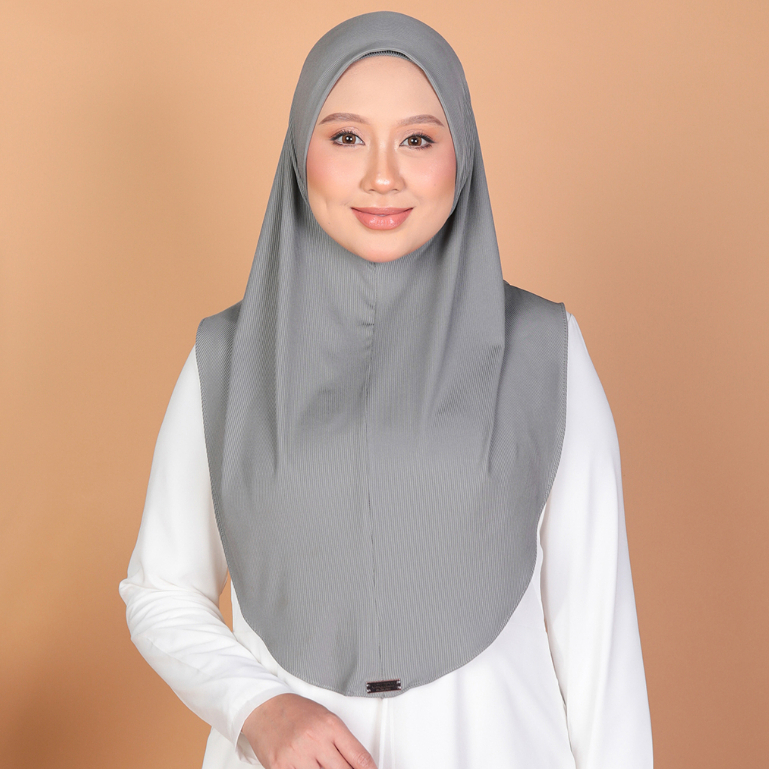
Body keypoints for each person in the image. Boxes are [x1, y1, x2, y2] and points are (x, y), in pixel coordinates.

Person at [120, 11, 653, 769]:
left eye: (418, 140)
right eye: (345, 137)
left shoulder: (543, 351)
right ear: (299, 151)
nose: (382, 176)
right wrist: (258, 709)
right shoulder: (229, 359)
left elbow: (598, 636)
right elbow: (161, 589)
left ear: (461, 153)